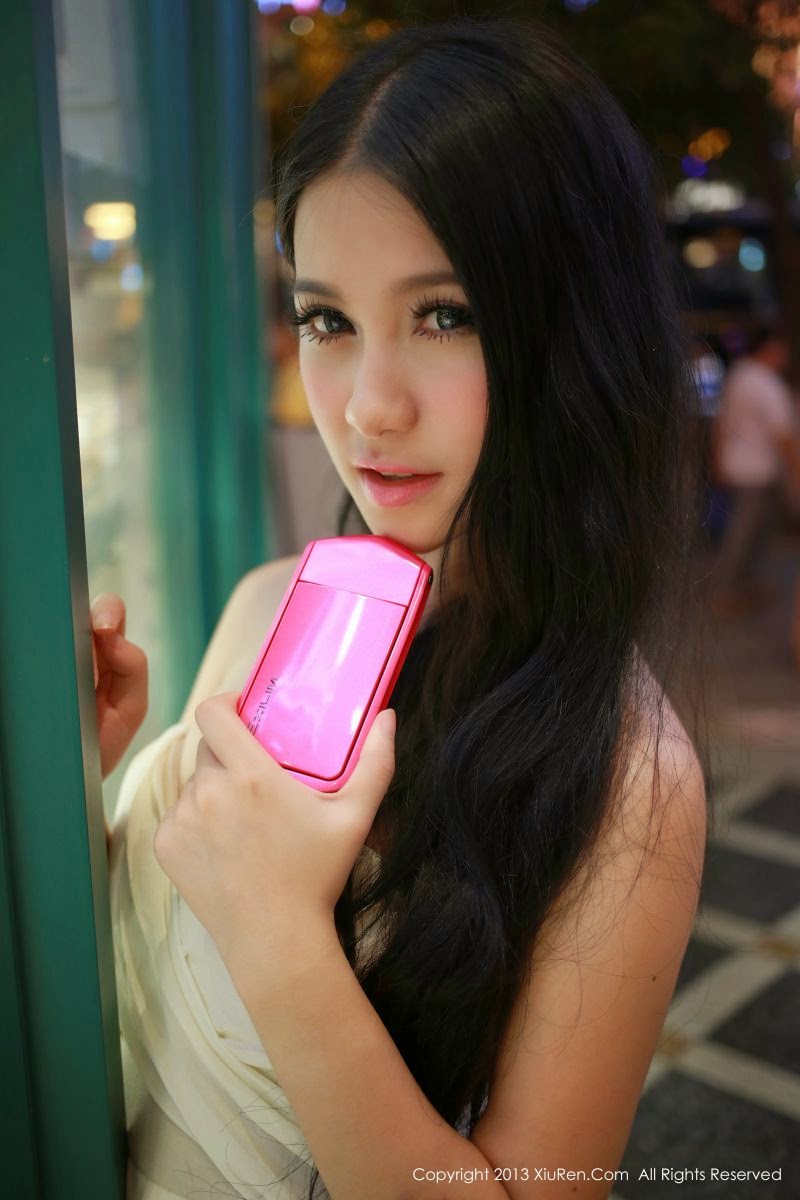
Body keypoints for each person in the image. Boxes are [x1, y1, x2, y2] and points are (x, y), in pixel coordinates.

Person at [92, 16, 710, 1200]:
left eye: (444, 315)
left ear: (571, 335)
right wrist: (90, 771)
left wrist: (279, 933)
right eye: (327, 320)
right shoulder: (268, 602)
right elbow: (144, 992)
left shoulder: (628, 777)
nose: (368, 407)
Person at [707, 325, 800, 619]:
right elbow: (783, 436)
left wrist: (717, 459)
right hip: (756, 471)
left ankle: (742, 586)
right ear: (771, 348)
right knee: (744, 533)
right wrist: (796, 471)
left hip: (737, 465)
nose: (785, 356)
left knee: (751, 531)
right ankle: (723, 593)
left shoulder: (740, 375)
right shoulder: (766, 383)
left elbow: (720, 421)